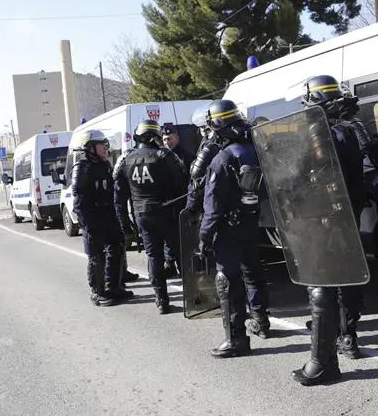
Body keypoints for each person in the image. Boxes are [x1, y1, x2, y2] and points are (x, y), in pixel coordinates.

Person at [291, 75, 370, 386]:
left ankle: (323, 363)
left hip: (322, 218)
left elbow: (299, 175)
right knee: (347, 281)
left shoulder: (319, 134)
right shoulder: (351, 130)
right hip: (347, 216)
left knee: (321, 289)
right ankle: (348, 337)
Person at [198, 99, 270, 357]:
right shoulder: (255, 150)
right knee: (252, 271)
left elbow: (213, 205)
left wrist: (204, 236)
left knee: (227, 282)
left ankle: (235, 339)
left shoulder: (222, 159)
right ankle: (261, 320)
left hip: (227, 232)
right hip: (251, 223)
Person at [114, 119, 189, 314]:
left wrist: (124, 222)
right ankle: (191, 297)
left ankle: (161, 301)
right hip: (168, 213)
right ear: (155, 136)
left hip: (142, 215)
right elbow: (182, 183)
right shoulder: (164, 156)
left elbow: (119, 195)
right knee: (180, 254)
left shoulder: (125, 159)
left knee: (153, 257)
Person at [71, 129, 134, 307]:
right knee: (96, 256)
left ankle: (113, 287)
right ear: (90, 148)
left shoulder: (104, 164)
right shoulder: (82, 168)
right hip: (93, 219)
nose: (105, 148)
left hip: (108, 216)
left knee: (117, 247)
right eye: (101, 145)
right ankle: (97, 293)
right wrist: (89, 225)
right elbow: (80, 202)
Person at [161, 125, 196, 279]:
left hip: (183, 201)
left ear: (177, 138)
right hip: (167, 203)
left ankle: (185, 268)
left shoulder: (187, 157)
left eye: (170, 138)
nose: (167, 142)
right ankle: (169, 263)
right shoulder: (160, 156)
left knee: (184, 237)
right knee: (168, 237)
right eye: (164, 139)